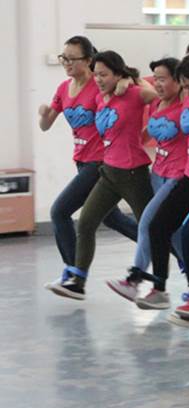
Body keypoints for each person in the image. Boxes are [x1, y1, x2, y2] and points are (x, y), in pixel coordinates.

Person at [46, 50, 158, 300]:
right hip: (108, 171)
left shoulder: (132, 93)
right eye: (96, 75)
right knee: (87, 223)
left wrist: (131, 80)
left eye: (104, 75)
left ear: (117, 74)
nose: (98, 79)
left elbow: (158, 97)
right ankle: (77, 281)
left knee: (151, 228)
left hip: (132, 172)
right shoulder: (100, 98)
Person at [39, 36, 137, 279]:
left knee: (60, 211)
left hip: (100, 162)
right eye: (64, 58)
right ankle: (169, 246)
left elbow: (133, 85)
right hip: (82, 162)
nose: (67, 63)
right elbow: (45, 125)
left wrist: (126, 81)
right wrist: (43, 114)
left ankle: (75, 273)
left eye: (72, 58)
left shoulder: (99, 84)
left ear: (88, 60)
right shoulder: (64, 88)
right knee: (113, 219)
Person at [105, 57, 187, 306]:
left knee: (147, 224)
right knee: (171, 230)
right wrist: (125, 80)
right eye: (156, 79)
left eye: (163, 79)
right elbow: (139, 84)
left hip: (177, 175)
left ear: (178, 81)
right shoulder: (157, 103)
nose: (158, 83)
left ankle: (135, 280)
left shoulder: (187, 105)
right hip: (157, 172)